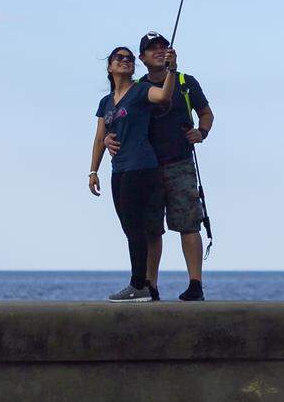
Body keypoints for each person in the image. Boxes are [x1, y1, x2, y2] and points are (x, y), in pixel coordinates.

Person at [105, 31, 214, 301]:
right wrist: (107, 138)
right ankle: (150, 284)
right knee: (151, 228)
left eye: (163, 47)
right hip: (146, 169)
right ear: (142, 58)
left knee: (189, 224)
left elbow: (206, 114)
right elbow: (114, 117)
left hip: (180, 162)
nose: (159, 51)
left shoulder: (185, 82)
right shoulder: (136, 88)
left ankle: (195, 284)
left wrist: (201, 132)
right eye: (152, 49)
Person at [89, 45, 178, 301]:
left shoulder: (139, 90)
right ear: (110, 66)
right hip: (119, 170)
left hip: (142, 166)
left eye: (129, 58)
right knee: (129, 226)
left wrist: (171, 69)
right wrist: (93, 170)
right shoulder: (106, 102)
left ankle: (139, 284)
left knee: (136, 226)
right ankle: (144, 286)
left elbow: (163, 97)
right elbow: (99, 138)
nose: (125, 61)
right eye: (119, 58)